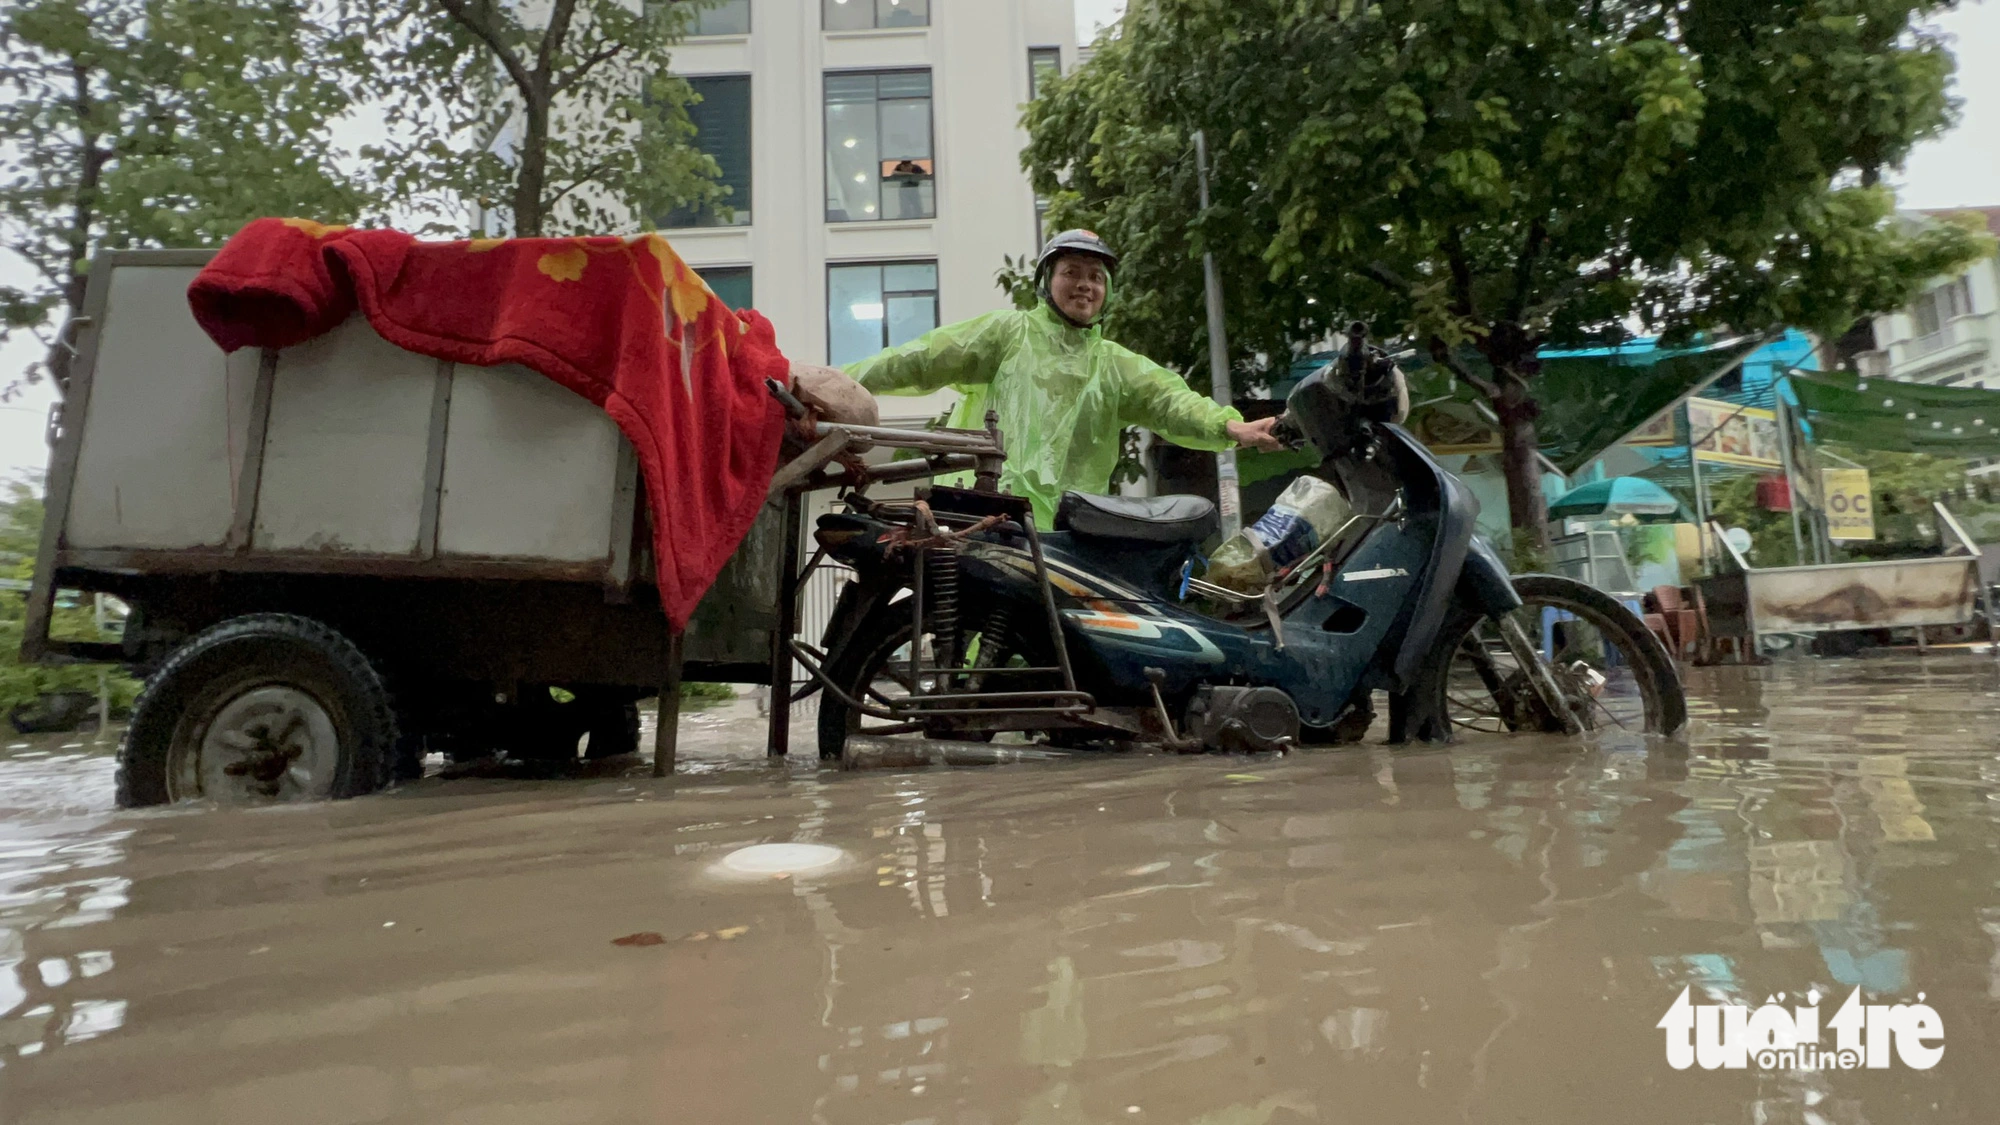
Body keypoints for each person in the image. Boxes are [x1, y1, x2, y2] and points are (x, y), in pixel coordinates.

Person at [843, 230, 1283, 528]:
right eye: (1071, 272)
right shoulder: (1007, 335)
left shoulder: (1114, 366)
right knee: (974, 642)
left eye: (1096, 277)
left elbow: (1172, 402)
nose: (1084, 285)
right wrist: (837, 383)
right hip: (984, 512)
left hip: (1068, 528)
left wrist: (1233, 427)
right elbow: (921, 359)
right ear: (1046, 283)